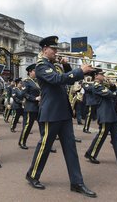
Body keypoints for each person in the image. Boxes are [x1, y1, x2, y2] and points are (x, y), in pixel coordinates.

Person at [26, 36, 96, 198]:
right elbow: (57, 80)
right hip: (51, 113)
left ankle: (77, 183)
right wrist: (80, 71)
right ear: (45, 50)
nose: (56, 51)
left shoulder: (54, 65)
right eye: (54, 49)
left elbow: (68, 79)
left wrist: (66, 64)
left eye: (56, 49)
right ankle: (32, 174)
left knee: (71, 149)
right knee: (44, 147)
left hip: (63, 112)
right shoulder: (41, 66)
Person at [85, 69, 117, 169]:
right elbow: (112, 95)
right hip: (105, 115)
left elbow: (112, 91)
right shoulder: (96, 86)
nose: (104, 75)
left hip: (111, 114)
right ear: (96, 76)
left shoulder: (103, 85)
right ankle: (91, 153)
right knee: (101, 136)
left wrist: (112, 85)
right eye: (101, 74)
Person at [19, 64, 40, 149]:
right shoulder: (26, 81)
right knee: (28, 126)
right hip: (30, 107)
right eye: (35, 71)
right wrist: (35, 98)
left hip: (38, 107)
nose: (36, 72)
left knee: (42, 126)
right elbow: (24, 94)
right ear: (30, 72)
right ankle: (22, 142)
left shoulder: (36, 82)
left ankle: (45, 143)